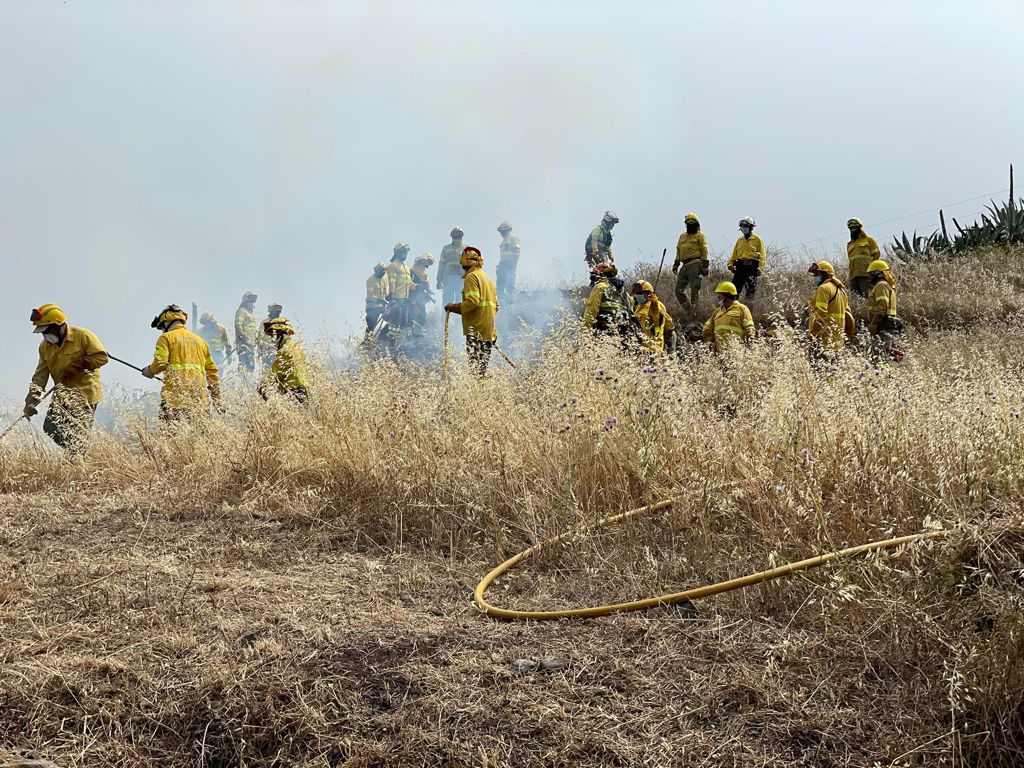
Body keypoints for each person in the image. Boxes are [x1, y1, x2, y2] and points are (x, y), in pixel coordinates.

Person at [24, 304, 109, 455]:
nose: (45, 336)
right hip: (62, 395)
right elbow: (40, 376)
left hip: (85, 395)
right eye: (42, 333)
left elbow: (101, 358)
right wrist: (31, 400)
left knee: (78, 435)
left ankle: (78, 458)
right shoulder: (44, 347)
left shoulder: (83, 335)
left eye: (47, 331)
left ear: (60, 326)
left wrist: (79, 365)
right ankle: (77, 454)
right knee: (50, 427)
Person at [143, 304, 220, 421]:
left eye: (161, 327)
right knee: (199, 438)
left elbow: (160, 363)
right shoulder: (201, 342)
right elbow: (212, 371)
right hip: (199, 402)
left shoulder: (166, 338)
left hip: (175, 401)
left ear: (166, 322)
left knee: (170, 437)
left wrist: (150, 371)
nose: (162, 331)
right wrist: (216, 396)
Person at [444, 246, 499, 377]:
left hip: (476, 330)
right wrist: (491, 330)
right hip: (488, 332)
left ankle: (477, 393)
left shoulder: (471, 277)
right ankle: (482, 393)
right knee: (482, 370)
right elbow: (495, 306)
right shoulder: (488, 279)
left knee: (475, 370)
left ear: (464, 261)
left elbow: (473, 301)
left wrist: (454, 307)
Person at [260, 317, 310, 404]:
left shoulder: (284, 351)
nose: (273, 338)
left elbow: (276, 371)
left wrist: (264, 385)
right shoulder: (296, 347)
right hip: (302, 390)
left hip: (292, 391)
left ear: (282, 334)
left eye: (274, 334)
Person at [806, 261, 850, 352]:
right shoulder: (842, 291)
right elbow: (848, 315)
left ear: (825, 274)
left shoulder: (824, 288)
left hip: (823, 341)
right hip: (838, 343)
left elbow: (821, 314)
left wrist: (813, 335)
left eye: (817, 274)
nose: (815, 277)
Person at [702, 282, 755, 352]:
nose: (718, 296)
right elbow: (707, 328)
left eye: (720, 294)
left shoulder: (742, 309)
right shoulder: (717, 311)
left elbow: (749, 328)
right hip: (720, 354)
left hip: (737, 352)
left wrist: (750, 347)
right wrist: (709, 342)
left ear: (727, 295)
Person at [672, 212, 710, 308]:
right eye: (688, 223)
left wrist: (705, 265)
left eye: (692, 223)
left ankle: (695, 312)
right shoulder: (682, 236)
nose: (690, 225)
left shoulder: (700, 235)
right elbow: (678, 249)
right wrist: (676, 263)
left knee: (695, 289)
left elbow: (704, 250)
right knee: (678, 290)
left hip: (696, 264)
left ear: (697, 224)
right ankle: (689, 311)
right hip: (684, 265)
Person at [582, 261, 629, 336]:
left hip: (603, 331)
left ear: (601, 274)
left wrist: (584, 332)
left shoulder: (600, 287)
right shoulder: (623, 290)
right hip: (621, 332)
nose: (593, 279)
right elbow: (629, 311)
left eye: (594, 275)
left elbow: (591, 312)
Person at [866, 259, 901, 359]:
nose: (870, 277)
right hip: (887, 326)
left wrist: (874, 324)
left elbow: (882, 307)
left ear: (879, 274)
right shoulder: (886, 286)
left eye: (872, 274)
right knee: (885, 355)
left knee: (880, 357)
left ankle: (885, 374)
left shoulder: (881, 285)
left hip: (883, 325)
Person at [630, 280, 675, 353]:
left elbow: (657, 321)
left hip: (652, 349)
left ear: (648, 293)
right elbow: (669, 324)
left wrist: (654, 306)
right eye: (637, 294)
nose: (637, 296)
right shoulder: (640, 306)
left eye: (640, 293)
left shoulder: (657, 305)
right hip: (641, 348)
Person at [727, 217, 765, 299]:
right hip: (740, 268)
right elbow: (734, 254)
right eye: (742, 227)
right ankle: (734, 310)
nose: (743, 228)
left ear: (751, 227)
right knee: (734, 291)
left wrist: (760, 268)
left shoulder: (757, 239)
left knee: (750, 292)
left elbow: (762, 255)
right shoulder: (740, 240)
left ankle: (748, 310)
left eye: (745, 226)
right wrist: (730, 265)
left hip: (752, 268)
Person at [846, 217, 881, 298]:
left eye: (855, 227)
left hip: (866, 274)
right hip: (853, 276)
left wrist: (871, 270)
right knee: (856, 299)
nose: (853, 230)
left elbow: (876, 255)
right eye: (851, 228)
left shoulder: (869, 240)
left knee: (868, 296)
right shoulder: (849, 245)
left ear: (860, 228)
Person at [437, 227, 466, 307]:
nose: (456, 238)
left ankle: (458, 319)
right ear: (451, 236)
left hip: (461, 279)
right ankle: (445, 318)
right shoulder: (446, 248)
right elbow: (441, 265)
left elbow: (470, 266)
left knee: (460, 300)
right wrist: (439, 280)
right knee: (447, 300)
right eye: (454, 236)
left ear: (462, 236)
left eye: (458, 236)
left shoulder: (466, 249)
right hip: (448, 278)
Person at [409, 252, 436, 333]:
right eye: (426, 262)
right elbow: (408, 284)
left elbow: (426, 285)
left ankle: (416, 333)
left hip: (419, 297)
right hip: (411, 297)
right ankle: (412, 333)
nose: (426, 265)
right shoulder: (412, 271)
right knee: (414, 316)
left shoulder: (425, 275)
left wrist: (428, 292)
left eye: (429, 263)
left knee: (422, 317)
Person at [234, 291, 259, 373]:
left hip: (250, 344)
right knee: (244, 364)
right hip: (243, 343)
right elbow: (238, 326)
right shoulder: (241, 311)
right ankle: (242, 382)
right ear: (245, 302)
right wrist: (244, 338)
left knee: (251, 365)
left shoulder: (250, 313)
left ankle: (249, 384)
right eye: (250, 302)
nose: (252, 304)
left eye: (252, 302)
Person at [496, 221, 521, 300]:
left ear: (506, 230)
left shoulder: (514, 239)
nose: (501, 234)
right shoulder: (503, 242)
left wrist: (512, 265)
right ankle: (501, 306)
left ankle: (510, 306)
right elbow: (503, 256)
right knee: (500, 287)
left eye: (502, 232)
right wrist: (500, 266)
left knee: (509, 286)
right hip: (503, 266)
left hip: (510, 266)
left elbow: (517, 252)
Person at [365, 262, 389, 334]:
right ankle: (367, 341)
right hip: (372, 308)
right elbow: (370, 296)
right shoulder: (371, 280)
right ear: (376, 270)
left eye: (384, 271)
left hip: (382, 307)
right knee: (371, 327)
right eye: (381, 271)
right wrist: (379, 300)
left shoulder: (384, 279)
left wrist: (389, 299)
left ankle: (383, 336)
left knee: (393, 318)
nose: (382, 273)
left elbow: (385, 293)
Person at [257, 303, 283, 368]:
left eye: (278, 312)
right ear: (271, 311)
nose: (277, 313)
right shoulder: (264, 323)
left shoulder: (282, 323)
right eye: (276, 311)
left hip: (278, 351)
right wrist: (261, 350)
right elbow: (260, 337)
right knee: (267, 370)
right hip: (267, 350)